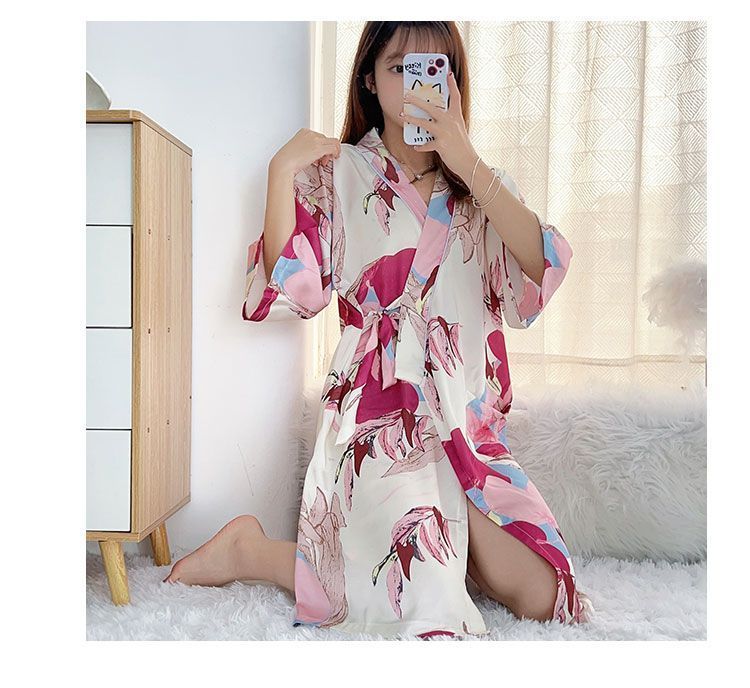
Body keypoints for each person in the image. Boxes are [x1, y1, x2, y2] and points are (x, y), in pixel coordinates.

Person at [163, 21, 594, 639]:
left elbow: (538, 272)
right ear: (369, 78)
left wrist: (466, 159)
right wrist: (281, 172)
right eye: (399, 68)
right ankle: (251, 551)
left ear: (454, 79)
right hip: (380, 417)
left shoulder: (481, 184)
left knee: (544, 593)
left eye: (434, 68)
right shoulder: (339, 173)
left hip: (463, 421)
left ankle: (448, 548)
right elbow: (291, 291)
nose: (417, 85)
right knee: (417, 605)